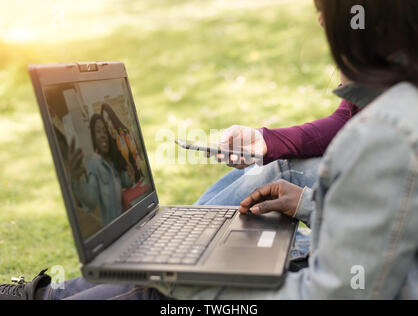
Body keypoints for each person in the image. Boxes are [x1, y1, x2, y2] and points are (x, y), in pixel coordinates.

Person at [1, 0, 417, 300]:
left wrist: (188, 281)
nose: (322, 30)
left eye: (324, 17)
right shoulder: (395, 108)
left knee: (170, 296)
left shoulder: (385, 134)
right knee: (265, 185)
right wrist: (308, 202)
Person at [69, 114, 134, 227]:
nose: (103, 135)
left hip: (125, 225)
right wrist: (77, 181)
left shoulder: (113, 162)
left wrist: (130, 173)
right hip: (111, 231)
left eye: (104, 131)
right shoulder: (94, 163)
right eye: (98, 131)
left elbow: (125, 182)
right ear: (94, 138)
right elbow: (91, 202)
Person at [101, 103, 144, 183]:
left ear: (113, 117)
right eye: (106, 123)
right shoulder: (109, 146)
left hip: (140, 180)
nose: (109, 125)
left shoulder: (126, 134)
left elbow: (140, 157)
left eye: (109, 119)